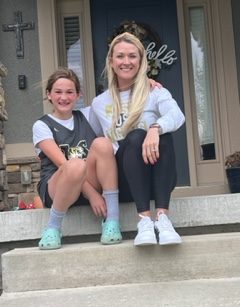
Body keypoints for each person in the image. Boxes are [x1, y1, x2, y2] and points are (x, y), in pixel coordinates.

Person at [89, 32, 185, 246]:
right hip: (125, 183)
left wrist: (155, 128)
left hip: (158, 180)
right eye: (120, 56)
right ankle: (144, 221)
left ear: (141, 61)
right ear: (111, 62)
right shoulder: (98, 103)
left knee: (163, 134)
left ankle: (162, 218)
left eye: (132, 56)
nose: (126, 62)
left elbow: (177, 115)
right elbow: (95, 142)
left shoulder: (155, 92)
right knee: (135, 137)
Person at [32, 68, 122, 250]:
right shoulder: (42, 125)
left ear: (78, 95)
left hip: (88, 180)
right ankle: (53, 228)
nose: (63, 97)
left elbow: (120, 98)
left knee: (103, 144)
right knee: (74, 165)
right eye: (58, 92)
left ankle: (112, 221)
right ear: (48, 95)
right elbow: (62, 165)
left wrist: (146, 84)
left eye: (69, 92)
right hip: (57, 189)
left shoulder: (88, 115)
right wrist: (93, 195)